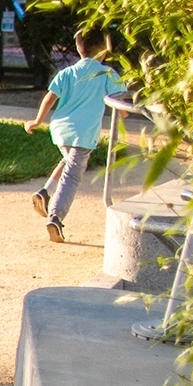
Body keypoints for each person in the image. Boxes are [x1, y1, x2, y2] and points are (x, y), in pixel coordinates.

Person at [24, 25, 125, 243]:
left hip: (60, 128)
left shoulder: (67, 72)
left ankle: (45, 192)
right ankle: (56, 218)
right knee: (72, 175)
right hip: (84, 132)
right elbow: (121, 106)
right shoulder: (108, 73)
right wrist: (126, 110)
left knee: (68, 161)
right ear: (105, 50)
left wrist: (37, 121)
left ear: (79, 48)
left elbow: (50, 98)